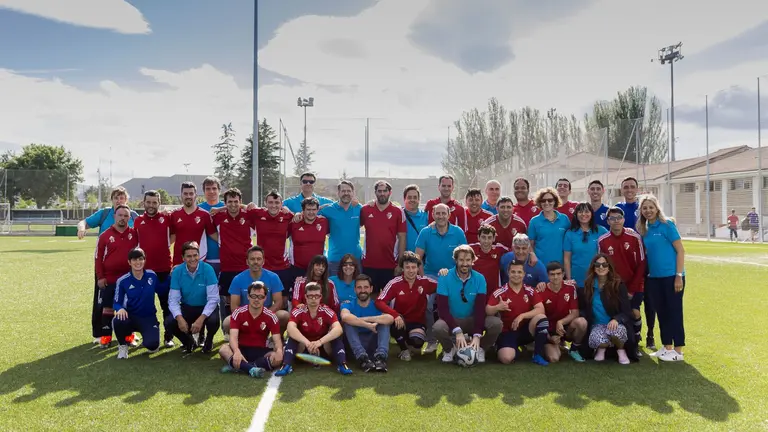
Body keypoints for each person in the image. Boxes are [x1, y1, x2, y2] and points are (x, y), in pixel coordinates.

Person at [77, 186, 138, 344]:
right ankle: (101, 334)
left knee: (129, 301)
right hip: (106, 270)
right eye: (116, 197)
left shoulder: (133, 215)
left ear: (126, 200)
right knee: (102, 302)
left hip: (128, 270)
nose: (119, 200)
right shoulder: (104, 214)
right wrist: (82, 228)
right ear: (111, 200)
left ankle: (129, 333)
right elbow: (84, 222)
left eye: (122, 197)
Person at [433, 245, 503, 364]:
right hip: (452, 318)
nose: (465, 264)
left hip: (473, 318)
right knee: (438, 328)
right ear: (455, 260)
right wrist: (457, 331)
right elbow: (442, 310)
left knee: (496, 324)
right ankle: (450, 349)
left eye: (468, 260)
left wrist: (477, 335)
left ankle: (480, 348)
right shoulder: (444, 277)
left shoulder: (480, 278)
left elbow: (480, 309)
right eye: (461, 260)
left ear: (472, 260)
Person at [637, 194, 686, 362]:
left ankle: (678, 351)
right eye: (645, 208)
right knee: (662, 313)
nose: (648, 211)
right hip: (655, 278)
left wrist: (678, 276)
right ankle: (667, 347)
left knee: (674, 312)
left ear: (657, 208)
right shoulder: (645, 229)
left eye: (651, 207)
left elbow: (681, 250)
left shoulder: (667, 225)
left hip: (672, 276)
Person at [415, 203, 467, 353]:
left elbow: (464, 258)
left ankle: (453, 339)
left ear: (449, 215)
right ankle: (431, 341)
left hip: (453, 276)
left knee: (454, 305)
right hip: (431, 275)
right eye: (437, 213)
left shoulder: (458, 232)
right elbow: (418, 258)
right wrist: (422, 278)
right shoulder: (426, 232)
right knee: (427, 304)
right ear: (433, 215)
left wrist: (458, 277)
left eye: (443, 213)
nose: (441, 216)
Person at [274, 282, 352, 376]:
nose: (314, 299)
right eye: (310, 296)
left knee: (335, 336)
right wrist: (308, 343)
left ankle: (342, 364)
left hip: (323, 348)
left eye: (316, 296)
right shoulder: (298, 311)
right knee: (293, 337)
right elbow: (290, 329)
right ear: (305, 297)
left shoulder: (326, 310)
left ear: (320, 297)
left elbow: (338, 329)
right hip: (303, 349)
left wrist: (319, 342)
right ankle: (286, 365)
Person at [598, 206, 648, 352]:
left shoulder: (634, 237)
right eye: (612, 218)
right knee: (618, 314)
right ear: (608, 221)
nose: (616, 221)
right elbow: (602, 265)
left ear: (624, 220)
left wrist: (632, 289)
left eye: (619, 218)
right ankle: (617, 343)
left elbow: (641, 263)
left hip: (634, 283)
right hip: (614, 286)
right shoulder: (602, 241)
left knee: (634, 312)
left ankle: (636, 339)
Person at [375, 252, 438, 361]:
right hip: (400, 320)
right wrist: (395, 315)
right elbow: (379, 301)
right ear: (402, 268)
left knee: (417, 343)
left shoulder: (424, 282)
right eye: (407, 267)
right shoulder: (394, 283)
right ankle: (403, 349)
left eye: (413, 267)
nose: (411, 270)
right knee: (395, 324)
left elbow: (443, 286)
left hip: (417, 323)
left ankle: (408, 343)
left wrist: (445, 274)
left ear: (418, 268)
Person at [487, 260, 550, 366]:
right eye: (513, 272)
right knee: (506, 359)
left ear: (524, 274)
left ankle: (537, 355)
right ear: (508, 273)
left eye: (519, 272)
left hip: (525, 330)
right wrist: (498, 307)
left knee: (541, 317)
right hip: (507, 332)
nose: (516, 275)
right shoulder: (501, 291)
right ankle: (504, 347)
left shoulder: (529, 290)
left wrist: (522, 316)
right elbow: (488, 310)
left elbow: (540, 309)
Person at [213, 188, 257, 335]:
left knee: (248, 297)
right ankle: (228, 330)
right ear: (225, 203)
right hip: (227, 266)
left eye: (236, 201)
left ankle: (248, 329)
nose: (233, 204)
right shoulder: (218, 217)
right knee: (228, 299)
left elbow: (257, 210)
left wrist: (247, 206)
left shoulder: (248, 216)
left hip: (246, 266)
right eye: (230, 202)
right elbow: (211, 229)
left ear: (240, 202)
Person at [134, 190, 175, 347]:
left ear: (159, 203)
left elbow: (174, 234)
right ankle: (149, 336)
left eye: (154, 202)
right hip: (145, 272)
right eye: (148, 202)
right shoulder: (138, 221)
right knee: (146, 307)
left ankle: (168, 337)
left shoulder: (167, 218)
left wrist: (165, 245)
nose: (151, 205)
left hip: (164, 270)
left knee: (167, 306)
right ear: (144, 203)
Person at [95, 205, 139, 348]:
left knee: (129, 308)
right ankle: (106, 337)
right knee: (108, 309)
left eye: (126, 216)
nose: (122, 218)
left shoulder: (135, 234)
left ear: (129, 218)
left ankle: (129, 337)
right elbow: (98, 258)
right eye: (120, 215)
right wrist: (100, 277)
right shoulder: (105, 235)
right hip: (110, 279)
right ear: (114, 216)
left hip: (129, 279)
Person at [219, 282, 284, 378]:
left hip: (261, 350)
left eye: (260, 297)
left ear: (265, 298)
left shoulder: (271, 316)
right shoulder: (238, 313)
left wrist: (279, 351)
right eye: (253, 296)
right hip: (242, 348)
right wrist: (236, 351)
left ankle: (241, 366)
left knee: (279, 356)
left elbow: (277, 340)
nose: (256, 299)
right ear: (248, 296)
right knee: (223, 349)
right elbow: (233, 337)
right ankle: (251, 369)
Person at [166, 241, 220, 353]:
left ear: (199, 255)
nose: (192, 259)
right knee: (170, 322)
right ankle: (188, 342)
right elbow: (173, 300)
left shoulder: (208, 269)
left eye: (195, 255)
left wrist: (201, 319)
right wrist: (180, 318)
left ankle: (208, 341)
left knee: (213, 321)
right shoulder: (177, 272)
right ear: (183, 258)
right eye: (189, 256)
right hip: (188, 306)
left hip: (205, 305)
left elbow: (213, 298)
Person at [581, 254, 635, 364]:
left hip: (616, 324)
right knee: (599, 339)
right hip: (597, 325)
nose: (601, 267)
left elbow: (627, 311)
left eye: (604, 264)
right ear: (593, 267)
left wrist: (616, 319)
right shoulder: (588, 285)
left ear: (609, 267)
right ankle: (602, 348)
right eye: (597, 265)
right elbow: (584, 308)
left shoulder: (618, 285)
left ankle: (621, 350)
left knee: (616, 332)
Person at [223, 246, 289, 335]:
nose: (256, 262)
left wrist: (264, 315)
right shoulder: (238, 279)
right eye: (252, 259)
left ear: (263, 261)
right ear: (247, 261)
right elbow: (234, 306)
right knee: (227, 322)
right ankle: (242, 340)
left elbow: (278, 303)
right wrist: (248, 318)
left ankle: (276, 338)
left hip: (267, 313)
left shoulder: (273, 277)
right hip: (245, 315)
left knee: (284, 315)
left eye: (259, 259)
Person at [113, 248, 161, 359]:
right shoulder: (123, 281)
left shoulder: (152, 276)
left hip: (148, 317)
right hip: (130, 316)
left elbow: (161, 290)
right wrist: (120, 308)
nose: (138, 262)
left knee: (153, 346)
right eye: (134, 260)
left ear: (144, 260)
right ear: (129, 262)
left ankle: (149, 336)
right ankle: (123, 346)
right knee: (118, 320)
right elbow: (116, 302)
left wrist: (173, 276)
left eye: (140, 259)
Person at [341, 275, 394, 372]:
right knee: (348, 322)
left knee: (384, 322)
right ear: (355, 289)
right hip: (355, 344)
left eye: (366, 287)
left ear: (371, 289)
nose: (362, 290)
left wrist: (367, 319)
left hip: (372, 343)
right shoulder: (348, 304)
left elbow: (390, 318)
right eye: (359, 287)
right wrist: (367, 325)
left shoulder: (377, 305)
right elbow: (344, 317)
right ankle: (362, 359)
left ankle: (381, 358)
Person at [360, 180, 406, 292]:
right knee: (371, 296)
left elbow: (402, 238)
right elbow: (354, 224)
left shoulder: (398, 211)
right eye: (379, 191)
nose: (382, 193)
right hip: (369, 263)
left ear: (390, 192)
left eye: (385, 191)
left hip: (390, 264)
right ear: (375, 192)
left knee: (389, 297)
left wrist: (400, 264)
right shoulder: (365, 210)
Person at [539, 262, 587, 363]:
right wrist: (549, 337)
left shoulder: (570, 288)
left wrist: (561, 322)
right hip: (549, 330)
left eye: (558, 274)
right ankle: (546, 345)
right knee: (554, 358)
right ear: (547, 275)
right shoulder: (541, 290)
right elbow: (538, 318)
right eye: (552, 274)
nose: (555, 277)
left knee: (581, 322)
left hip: (565, 327)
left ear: (563, 274)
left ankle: (574, 349)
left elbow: (575, 313)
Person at [251, 191, 294, 294]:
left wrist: (292, 212)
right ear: (265, 203)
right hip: (263, 265)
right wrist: (220, 209)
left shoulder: (288, 216)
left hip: (282, 265)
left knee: (283, 299)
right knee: (262, 296)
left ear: (281, 204)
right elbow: (237, 207)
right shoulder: (257, 213)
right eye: (270, 202)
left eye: (277, 202)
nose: (274, 205)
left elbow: (299, 216)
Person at [318, 180, 363, 274]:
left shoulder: (359, 208)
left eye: (349, 191)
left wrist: (372, 202)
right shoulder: (328, 209)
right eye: (343, 191)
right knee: (334, 283)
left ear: (353, 193)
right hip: (335, 259)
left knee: (356, 284)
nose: (346, 193)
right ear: (338, 193)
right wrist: (319, 207)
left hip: (355, 259)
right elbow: (310, 213)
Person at [169, 182, 217, 265]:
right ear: (181, 195)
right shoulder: (174, 215)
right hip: (179, 261)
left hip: (198, 260)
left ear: (196, 195)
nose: (188, 196)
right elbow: (171, 238)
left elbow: (214, 235)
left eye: (191, 193)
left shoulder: (204, 215)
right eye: (185, 194)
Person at [563, 202, 608, 288]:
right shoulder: (570, 233)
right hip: (577, 279)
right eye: (580, 212)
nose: (583, 214)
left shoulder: (601, 231)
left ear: (592, 214)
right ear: (576, 215)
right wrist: (569, 279)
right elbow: (567, 259)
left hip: (597, 278)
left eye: (587, 211)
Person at [527, 187, 570, 267]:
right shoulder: (534, 221)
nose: (546, 203)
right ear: (540, 202)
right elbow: (530, 243)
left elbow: (569, 241)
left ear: (555, 201)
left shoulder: (564, 219)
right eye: (543, 200)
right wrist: (532, 255)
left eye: (550, 200)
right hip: (541, 265)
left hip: (560, 266)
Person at [288, 197, 329, 277]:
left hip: (317, 269)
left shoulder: (324, 222)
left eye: (314, 209)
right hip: (297, 268)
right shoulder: (294, 222)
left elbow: (336, 205)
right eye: (308, 209)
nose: (311, 212)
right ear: (303, 210)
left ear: (318, 210)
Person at [469, 224, 508, 293]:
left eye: (489, 237)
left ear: (494, 238)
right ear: (478, 237)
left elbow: (514, 253)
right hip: (475, 290)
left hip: (493, 292)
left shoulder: (499, 249)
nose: (486, 241)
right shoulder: (470, 249)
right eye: (483, 237)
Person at [198, 176, 225, 275]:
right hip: (204, 258)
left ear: (219, 191)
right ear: (204, 191)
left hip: (226, 258)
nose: (211, 191)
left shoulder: (228, 206)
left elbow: (242, 207)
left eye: (214, 188)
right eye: (208, 189)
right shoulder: (198, 209)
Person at [402, 184, 429, 252]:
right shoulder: (399, 215)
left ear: (419, 199)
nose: (412, 200)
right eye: (409, 197)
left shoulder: (426, 216)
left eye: (415, 197)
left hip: (421, 258)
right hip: (404, 257)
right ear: (404, 199)